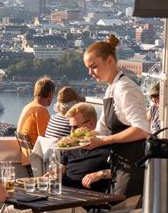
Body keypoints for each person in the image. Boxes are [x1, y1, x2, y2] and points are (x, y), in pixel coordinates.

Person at [81, 36, 150, 198]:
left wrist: (104, 141)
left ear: (110, 61)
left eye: (94, 67)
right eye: (88, 68)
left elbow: (141, 130)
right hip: (118, 166)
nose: (90, 73)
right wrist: (78, 139)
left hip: (132, 167)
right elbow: (102, 129)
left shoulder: (125, 89)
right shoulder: (111, 89)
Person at [57, 103, 112, 193]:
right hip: (63, 192)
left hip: (87, 197)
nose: (71, 132)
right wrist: (54, 174)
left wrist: (100, 174)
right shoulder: (72, 145)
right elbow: (62, 168)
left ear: (91, 123)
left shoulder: (106, 146)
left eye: (75, 127)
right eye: (70, 127)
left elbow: (119, 173)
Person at [17, 76, 56, 146]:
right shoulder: (41, 110)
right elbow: (46, 139)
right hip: (37, 155)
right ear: (50, 94)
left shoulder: (27, 107)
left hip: (26, 155)